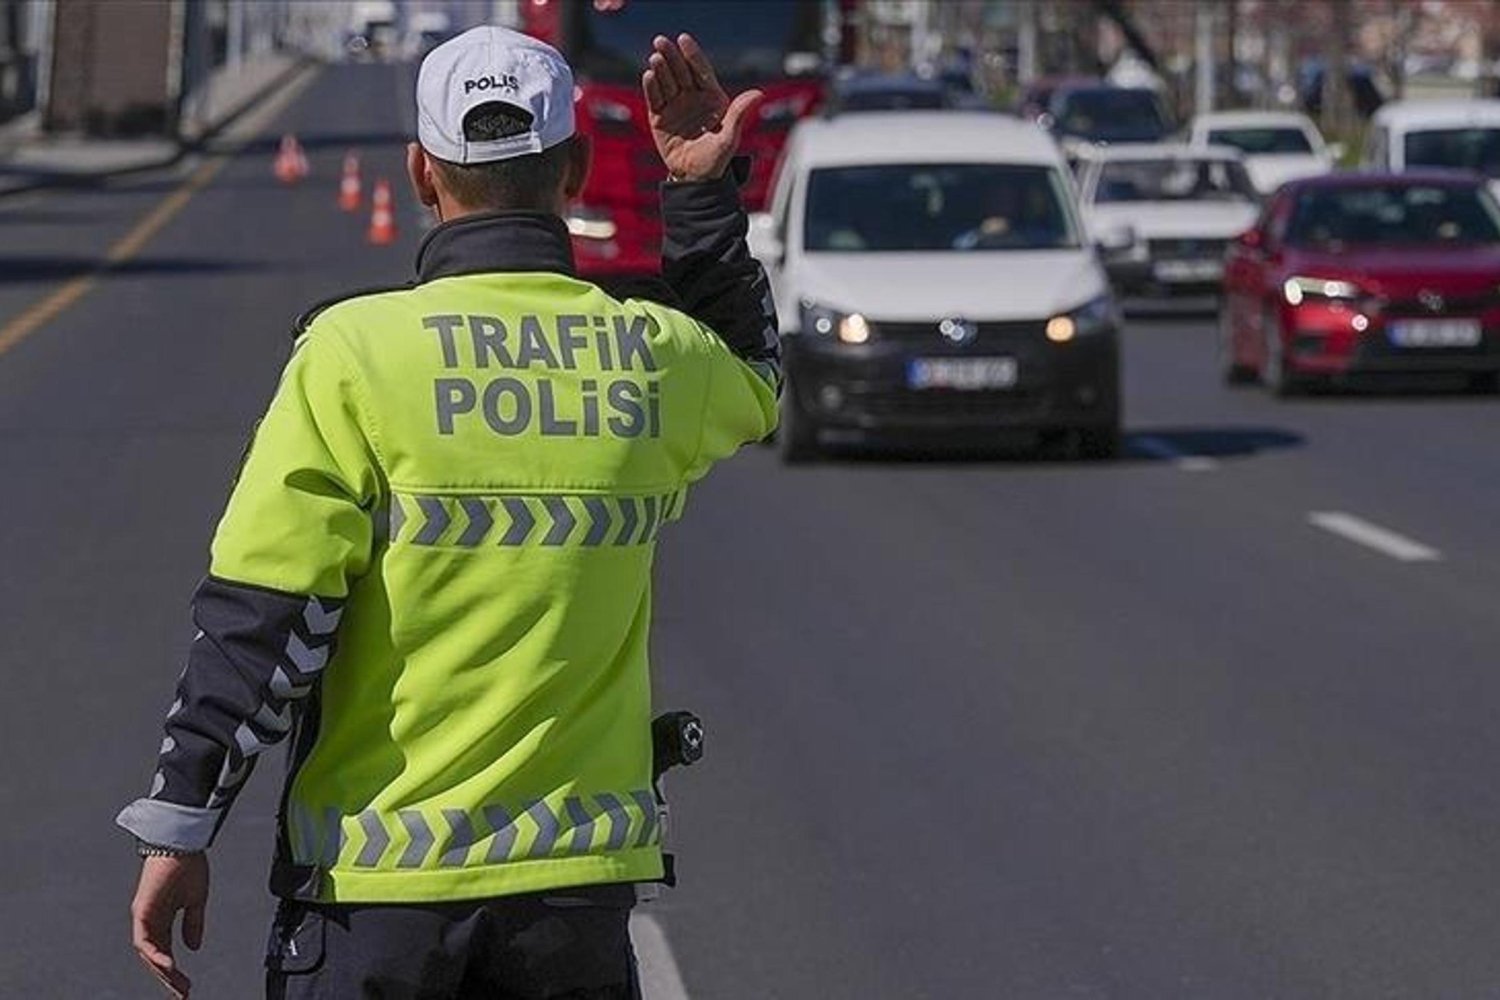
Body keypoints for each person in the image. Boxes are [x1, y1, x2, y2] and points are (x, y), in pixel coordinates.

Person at [116, 25, 779, 1000]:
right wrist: (699, 192)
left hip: (375, 898)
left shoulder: (354, 354)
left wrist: (184, 821)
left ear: (423, 174)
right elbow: (757, 376)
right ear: (579, 170)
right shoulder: (647, 355)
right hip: (574, 903)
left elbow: (267, 617)